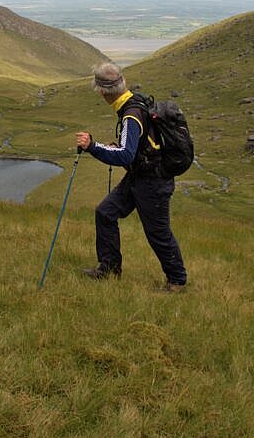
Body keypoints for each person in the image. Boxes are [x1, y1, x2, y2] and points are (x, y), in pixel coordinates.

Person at [75, 63, 188, 292]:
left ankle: (177, 280)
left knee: (158, 232)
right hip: (140, 176)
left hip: (152, 181)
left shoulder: (130, 115)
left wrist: (93, 146)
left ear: (102, 92)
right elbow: (134, 148)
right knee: (105, 213)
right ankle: (109, 269)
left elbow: (125, 154)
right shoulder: (135, 102)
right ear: (123, 81)